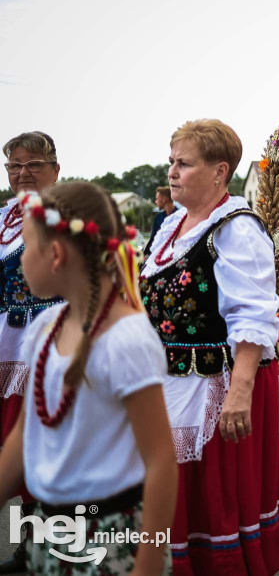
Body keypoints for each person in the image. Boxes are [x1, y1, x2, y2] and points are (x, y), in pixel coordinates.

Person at [141, 119, 279, 573]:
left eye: (184, 163)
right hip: (173, 378)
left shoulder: (236, 229)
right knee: (179, 492)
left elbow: (253, 317)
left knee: (213, 496)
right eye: (171, 162)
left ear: (220, 172)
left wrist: (239, 394)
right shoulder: (172, 227)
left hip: (220, 381)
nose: (172, 172)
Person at [0, 182, 177, 574]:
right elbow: (23, 435)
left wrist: (147, 564)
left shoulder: (126, 340)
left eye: (28, 247)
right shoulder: (45, 329)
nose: (23, 258)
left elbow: (161, 460)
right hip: (48, 530)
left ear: (57, 254)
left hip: (110, 537)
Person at [0, 131, 63, 574]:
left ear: (55, 170)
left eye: (33, 165)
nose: (23, 173)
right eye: (14, 165)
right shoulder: (3, 217)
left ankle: (51, 551)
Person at [144, 185, 177, 257]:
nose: (155, 202)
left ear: (164, 199)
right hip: (158, 255)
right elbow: (153, 238)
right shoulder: (158, 217)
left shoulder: (179, 216)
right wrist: (145, 254)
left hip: (175, 254)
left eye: (157, 199)